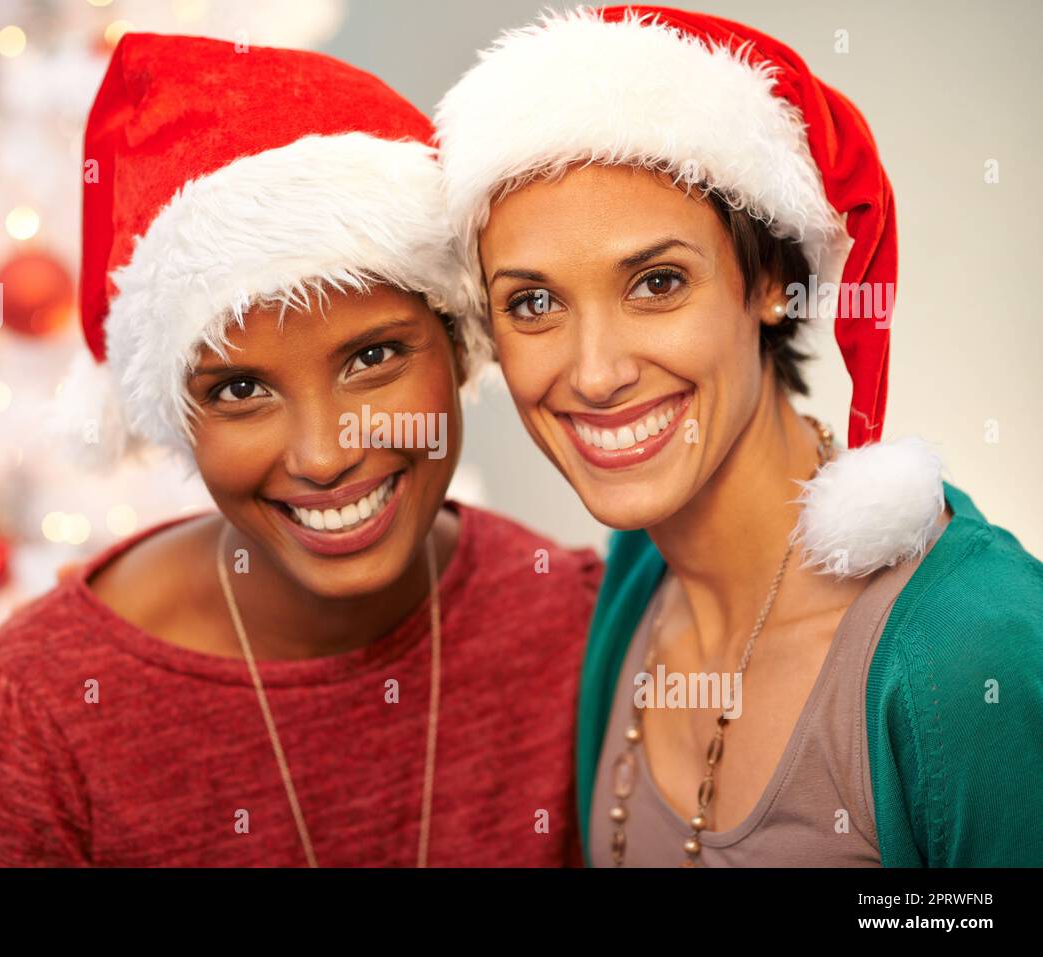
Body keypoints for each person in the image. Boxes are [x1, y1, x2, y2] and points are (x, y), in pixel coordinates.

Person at [0, 33, 601, 867]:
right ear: (176, 414)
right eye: (238, 390)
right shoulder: (36, 707)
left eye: (373, 358)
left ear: (459, 339)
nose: (323, 455)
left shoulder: (571, 621)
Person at [434, 6, 1043, 866]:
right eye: (533, 303)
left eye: (656, 282)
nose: (596, 371)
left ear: (769, 280)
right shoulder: (634, 576)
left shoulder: (970, 648)